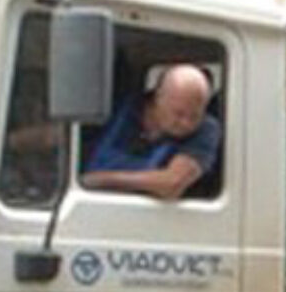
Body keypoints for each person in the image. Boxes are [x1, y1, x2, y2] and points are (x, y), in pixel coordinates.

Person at [80, 63, 220, 201]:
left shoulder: (206, 130)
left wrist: (100, 180)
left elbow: (172, 184)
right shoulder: (117, 108)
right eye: (179, 114)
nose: (186, 123)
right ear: (158, 98)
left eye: (195, 116)